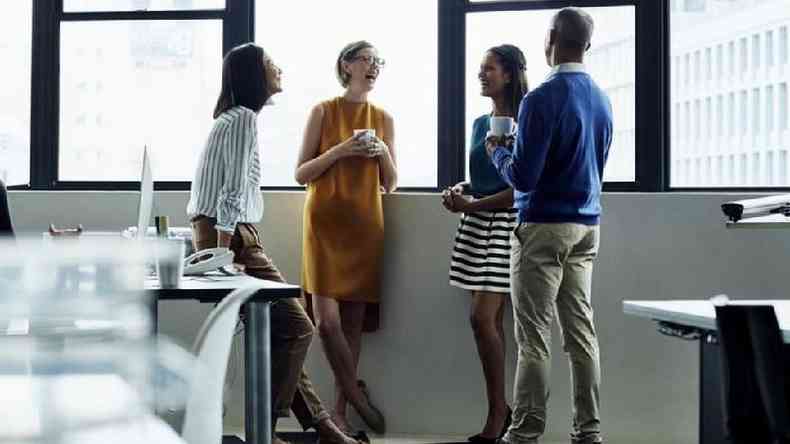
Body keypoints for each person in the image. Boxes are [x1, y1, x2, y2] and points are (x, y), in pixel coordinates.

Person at [186, 43, 359, 444]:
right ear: (253, 75)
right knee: (298, 326)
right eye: (270, 64)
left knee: (277, 331)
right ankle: (263, 429)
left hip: (226, 233)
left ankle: (322, 427)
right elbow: (230, 192)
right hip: (232, 237)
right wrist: (226, 253)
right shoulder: (243, 119)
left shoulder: (230, 119)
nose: (278, 68)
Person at [485, 8, 613, 444]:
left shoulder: (540, 98)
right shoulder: (602, 98)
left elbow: (524, 177)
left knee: (533, 338)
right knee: (581, 334)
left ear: (552, 37)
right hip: (586, 228)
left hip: (541, 228)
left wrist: (498, 150)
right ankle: (588, 433)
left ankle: (523, 435)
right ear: (587, 45)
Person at [295, 40, 397, 435]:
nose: (373, 66)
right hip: (323, 229)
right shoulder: (323, 111)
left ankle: (340, 412)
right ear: (346, 65)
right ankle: (358, 396)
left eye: (378, 61)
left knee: (353, 328)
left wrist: (381, 153)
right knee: (327, 324)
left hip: (364, 230)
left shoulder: (384, 117)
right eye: (367, 59)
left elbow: (390, 184)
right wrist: (341, 150)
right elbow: (301, 174)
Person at [441, 44, 528, 444]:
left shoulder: (527, 120)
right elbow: (484, 175)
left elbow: (518, 187)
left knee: (483, 318)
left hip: (506, 223)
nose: (481, 74)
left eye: (488, 69)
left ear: (509, 74)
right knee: (486, 322)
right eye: (480, 69)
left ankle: (500, 412)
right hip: (477, 223)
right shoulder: (480, 123)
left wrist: (472, 203)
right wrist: (462, 190)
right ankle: (501, 410)